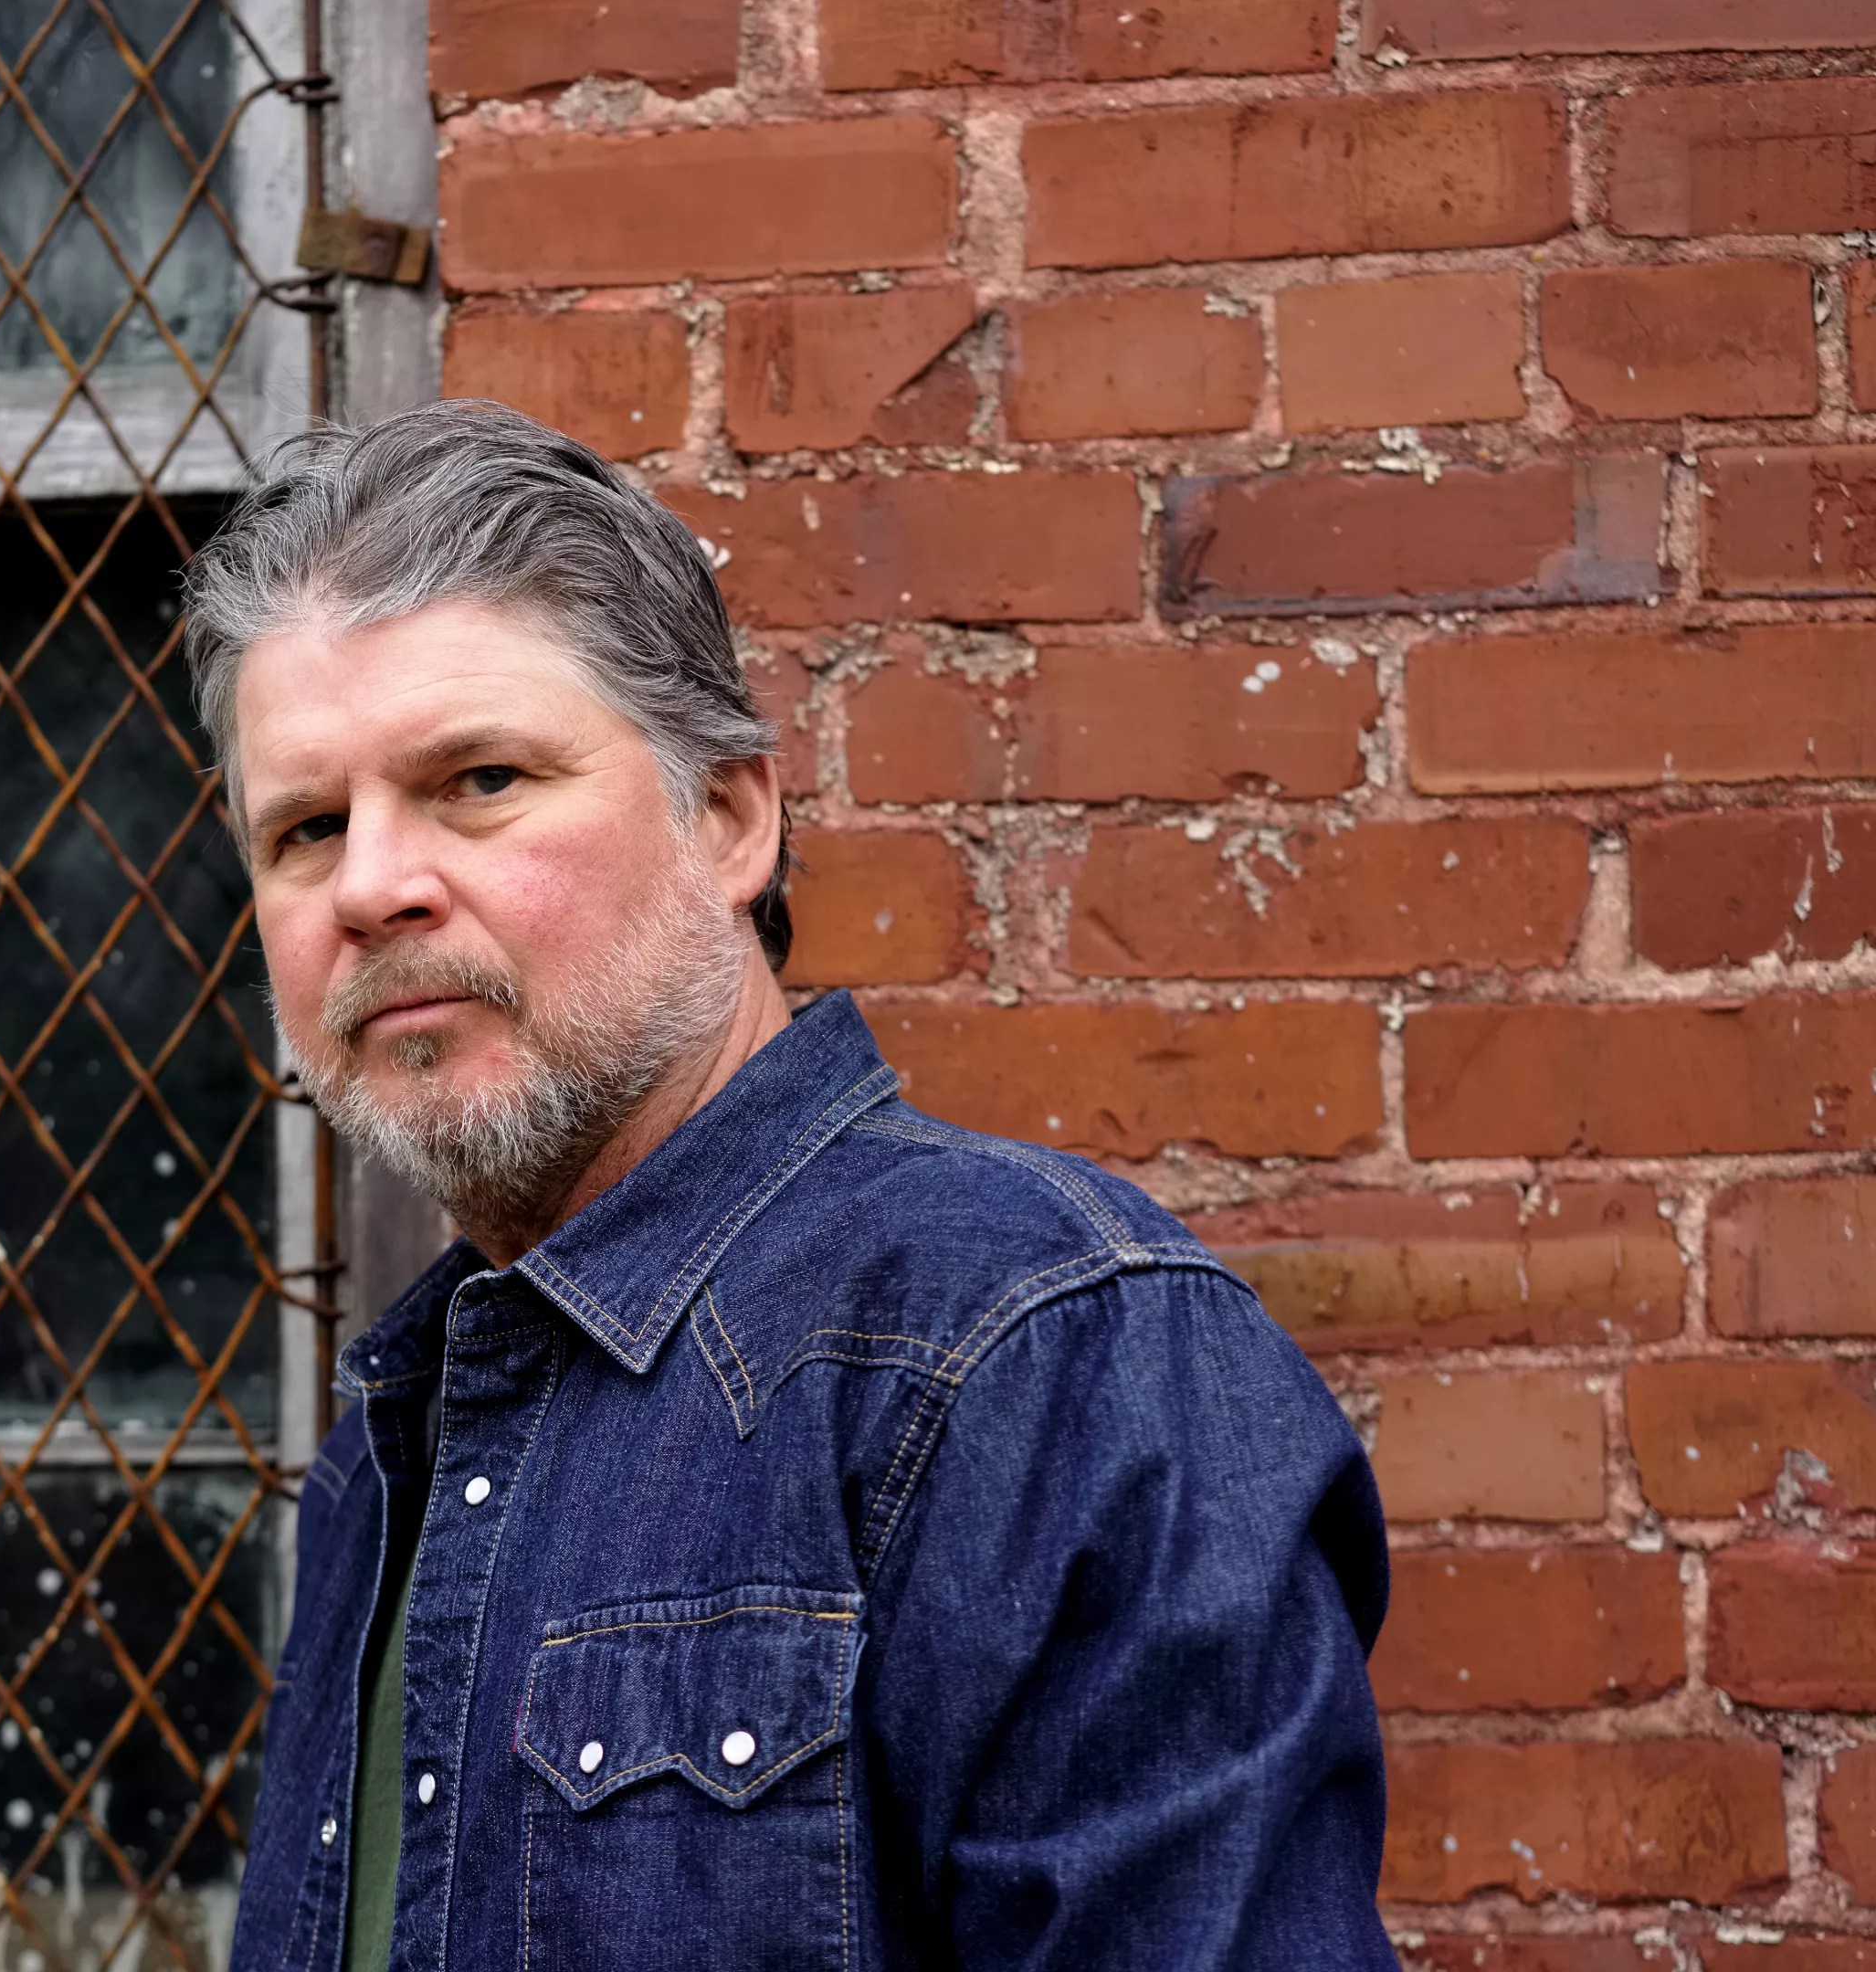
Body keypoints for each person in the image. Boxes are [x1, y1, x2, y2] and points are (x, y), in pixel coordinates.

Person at [186, 400, 1392, 1971]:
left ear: (729, 819)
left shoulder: (1044, 1359)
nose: (369, 886)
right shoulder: (393, 1444)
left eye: (479, 778)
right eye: (304, 829)